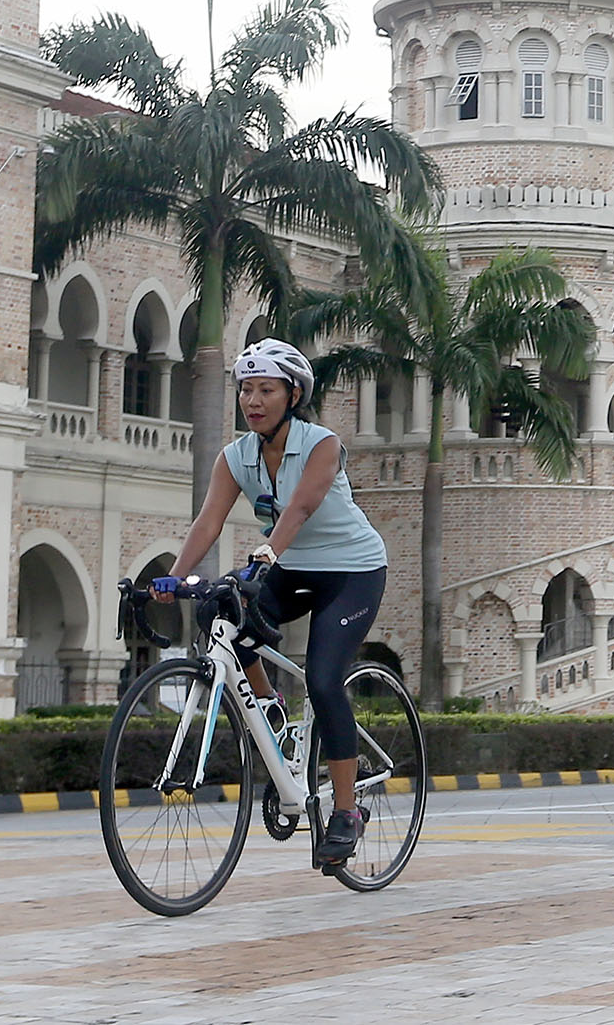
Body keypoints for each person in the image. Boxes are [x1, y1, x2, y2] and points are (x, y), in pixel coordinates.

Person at [154, 339, 387, 870]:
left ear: (293, 394)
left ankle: (347, 811)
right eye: (245, 390)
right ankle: (270, 707)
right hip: (288, 567)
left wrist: (266, 553)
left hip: (351, 572)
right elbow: (209, 521)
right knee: (219, 607)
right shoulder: (235, 456)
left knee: (325, 680)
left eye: (266, 390)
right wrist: (171, 580)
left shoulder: (321, 444)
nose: (253, 400)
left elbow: (302, 506)